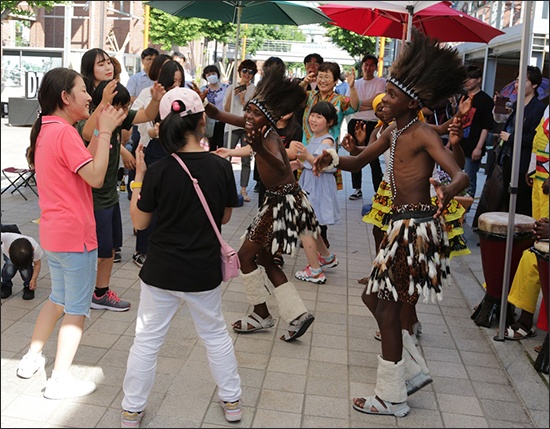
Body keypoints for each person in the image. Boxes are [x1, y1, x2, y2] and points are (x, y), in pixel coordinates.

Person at [314, 30, 469, 417]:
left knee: (385, 305)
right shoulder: (391, 132)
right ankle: (409, 371)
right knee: (376, 299)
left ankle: (393, 395)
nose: (385, 99)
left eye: (393, 96)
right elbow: (357, 162)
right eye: (386, 94)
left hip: (415, 229)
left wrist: (447, 193)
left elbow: (460, 175)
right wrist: (330, 158)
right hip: (398, 226)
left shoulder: (419, 132)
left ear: (412, 102)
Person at [121, 87, 242, 427]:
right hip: (203, 272)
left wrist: (139, 178)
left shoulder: (159, 170)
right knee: (215, 336)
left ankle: (131, 410)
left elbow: (140, 221)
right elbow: (226, 218)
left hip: (160, 271)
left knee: (146, 341)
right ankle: (232, 402)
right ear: (202, 121)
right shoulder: (220, 167)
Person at [19, 67, 125, 398]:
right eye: (83, 91)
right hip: (74, 235)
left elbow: (83, 163)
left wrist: (100, 131)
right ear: (65, 97)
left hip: (54, 233)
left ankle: (31, 358)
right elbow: (95, 177)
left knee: (58, 299)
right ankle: (59, 380)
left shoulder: (50, 129)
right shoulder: (64, 133)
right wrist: (106, 132)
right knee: (76, 309)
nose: (89, 96)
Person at [203, 66, 317, 342]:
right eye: (249, 112)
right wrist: (202, 103)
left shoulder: (270, 139)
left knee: (244, 257)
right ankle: (296, 314)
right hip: (279, 202)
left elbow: (279, 168)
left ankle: (261, 313)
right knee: (263, 257)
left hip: (282, 204)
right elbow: (219, 114)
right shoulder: (257, 126)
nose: (248, 117)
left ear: (266, 119)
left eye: (253, 114)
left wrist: (260, 149)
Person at [76, 74, 165, 312]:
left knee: (111, 249)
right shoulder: (92, 122)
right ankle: (89, 293)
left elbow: (146, 115)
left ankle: (100, 292)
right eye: (121, 107)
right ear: (106, 106)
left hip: (109, 196)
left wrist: (155, 99)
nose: (125, 112)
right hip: (94, 199)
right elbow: (87, 134)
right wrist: (104, 104)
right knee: (101, 251)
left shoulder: (118, 120)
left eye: (126, 108)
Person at [131, 59, 185, 268]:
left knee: (172, 203)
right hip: (153, 150)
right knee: (149, 203)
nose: (176, 87)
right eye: (173, 82)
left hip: (175, 151)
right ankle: (142, 250)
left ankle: (166, 248)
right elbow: (140, 123)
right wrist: (152, 132)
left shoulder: (183, 97)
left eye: (180, 82)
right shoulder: (148, 93)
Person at [300, 61, 359, 247]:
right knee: (306, 193)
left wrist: (352, 87)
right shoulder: (309, 96)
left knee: (322, 195)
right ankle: (309, 232)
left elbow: (355, 107)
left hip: (326, 155)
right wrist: (303, 82)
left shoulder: (339, 100)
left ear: (335, 81)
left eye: (327, 77)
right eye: (320, 76)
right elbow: (293, 97)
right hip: (306, 150)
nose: (322, 80)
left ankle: (321, 236)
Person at [294, 101, 340, 284]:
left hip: (318, 188)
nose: (313, 119)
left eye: (319, 117)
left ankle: (314, 270)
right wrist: (299, 163)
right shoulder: (314, 138)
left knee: (305, 227)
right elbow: (309, 162)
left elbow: (324, 166)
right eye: (312, 115)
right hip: (311, 184)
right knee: (312, 225)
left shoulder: (327, 141)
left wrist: (306, 157)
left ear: (329, 122)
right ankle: (327, 257)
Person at [346, 54, 386, 201]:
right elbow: (350, 103)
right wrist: (363, 104)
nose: (368, 68)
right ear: (362, 66)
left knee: (373, 156)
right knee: (354, 154)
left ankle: (378, 191)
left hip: (373, 123)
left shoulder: (380, 82)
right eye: (366, 65)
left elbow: (377, 103)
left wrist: (359, 104)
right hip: (355, 121)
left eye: (371, 65)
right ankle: (357, 188)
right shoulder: (355, 83)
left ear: (375, 67)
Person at [223, 59, 257, 202]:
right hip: (231, 126)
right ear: (239, 72)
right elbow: (225, 109)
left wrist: (243, 100)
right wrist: (234, 93)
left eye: (250, 72)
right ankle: (225, 187)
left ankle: (243, 189)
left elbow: (253, 111)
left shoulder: (254, 90)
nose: (247, 74)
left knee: (246, 159)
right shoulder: (231, 87)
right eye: (244, 71)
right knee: (226, 156)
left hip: (246, 127)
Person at [459, 65, 494, 199]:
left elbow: (486, 126)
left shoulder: (485, 100)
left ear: (478, 79)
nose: (467, 81)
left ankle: (465, 211)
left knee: (469, 179)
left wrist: (479, 147)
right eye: (465, 78)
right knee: (452, 177)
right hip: (458, 144)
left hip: (472, 144)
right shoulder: (462, 97)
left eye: (471, 78)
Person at [1, 231, 43, 300]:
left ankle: (28, 286)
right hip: (10, 258)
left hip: (24, 260)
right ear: (8, 250)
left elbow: (37, 264)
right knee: (9, 268)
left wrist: (33, 279)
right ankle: (6, 285)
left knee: (26, 271)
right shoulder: (7, 237)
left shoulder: (36, 249)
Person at [200, 64, 228, 152]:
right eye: (208, 74)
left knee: (222, 144)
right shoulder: (203, 90)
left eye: (213, 73)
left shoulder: (226, 88)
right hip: (209, 121)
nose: (211, 76)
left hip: (223, 119)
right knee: (211, 145)